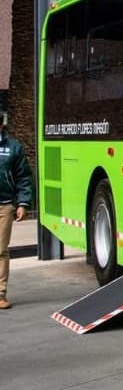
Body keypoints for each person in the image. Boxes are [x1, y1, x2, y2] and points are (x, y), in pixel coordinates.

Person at [0, 120, 34, 309]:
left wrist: (22, 203)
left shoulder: (13, 148)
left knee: (1, 250)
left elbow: (23, 177)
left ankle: (0, 294)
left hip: (4, 206)